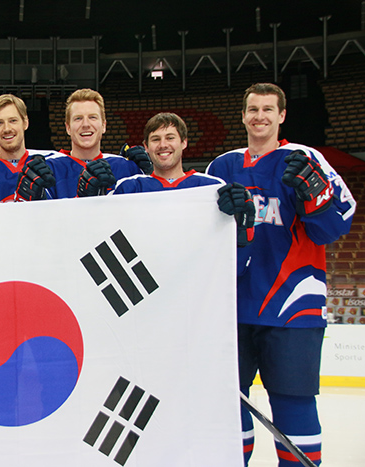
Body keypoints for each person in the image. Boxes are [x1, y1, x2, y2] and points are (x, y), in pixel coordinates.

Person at [206, 83, 357, 466]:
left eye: (268, 109)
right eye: (253, 109)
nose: (260, 116)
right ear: (243, 115)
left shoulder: (304, 158)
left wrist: (315, 199)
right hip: (232, 308)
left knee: (293, 404)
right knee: (228, 403)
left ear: (282, 115)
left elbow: (335, 226)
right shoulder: (222, 167)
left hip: (293, 308)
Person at [110, 112, 255, 247]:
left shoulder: (212, 187)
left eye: (170, 138)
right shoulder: (129, 188)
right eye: (156, 139)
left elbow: (233, 244)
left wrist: (241, 221)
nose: (163, 145)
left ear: (184, 142)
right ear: (146, 146)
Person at [39, 88, 152, 199]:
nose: (86, 124)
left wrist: (150, 176)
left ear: (103, 126)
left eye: (92, 117)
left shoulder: (125, 167)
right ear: (68, 128)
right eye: (78, 118)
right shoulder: (49, 169)